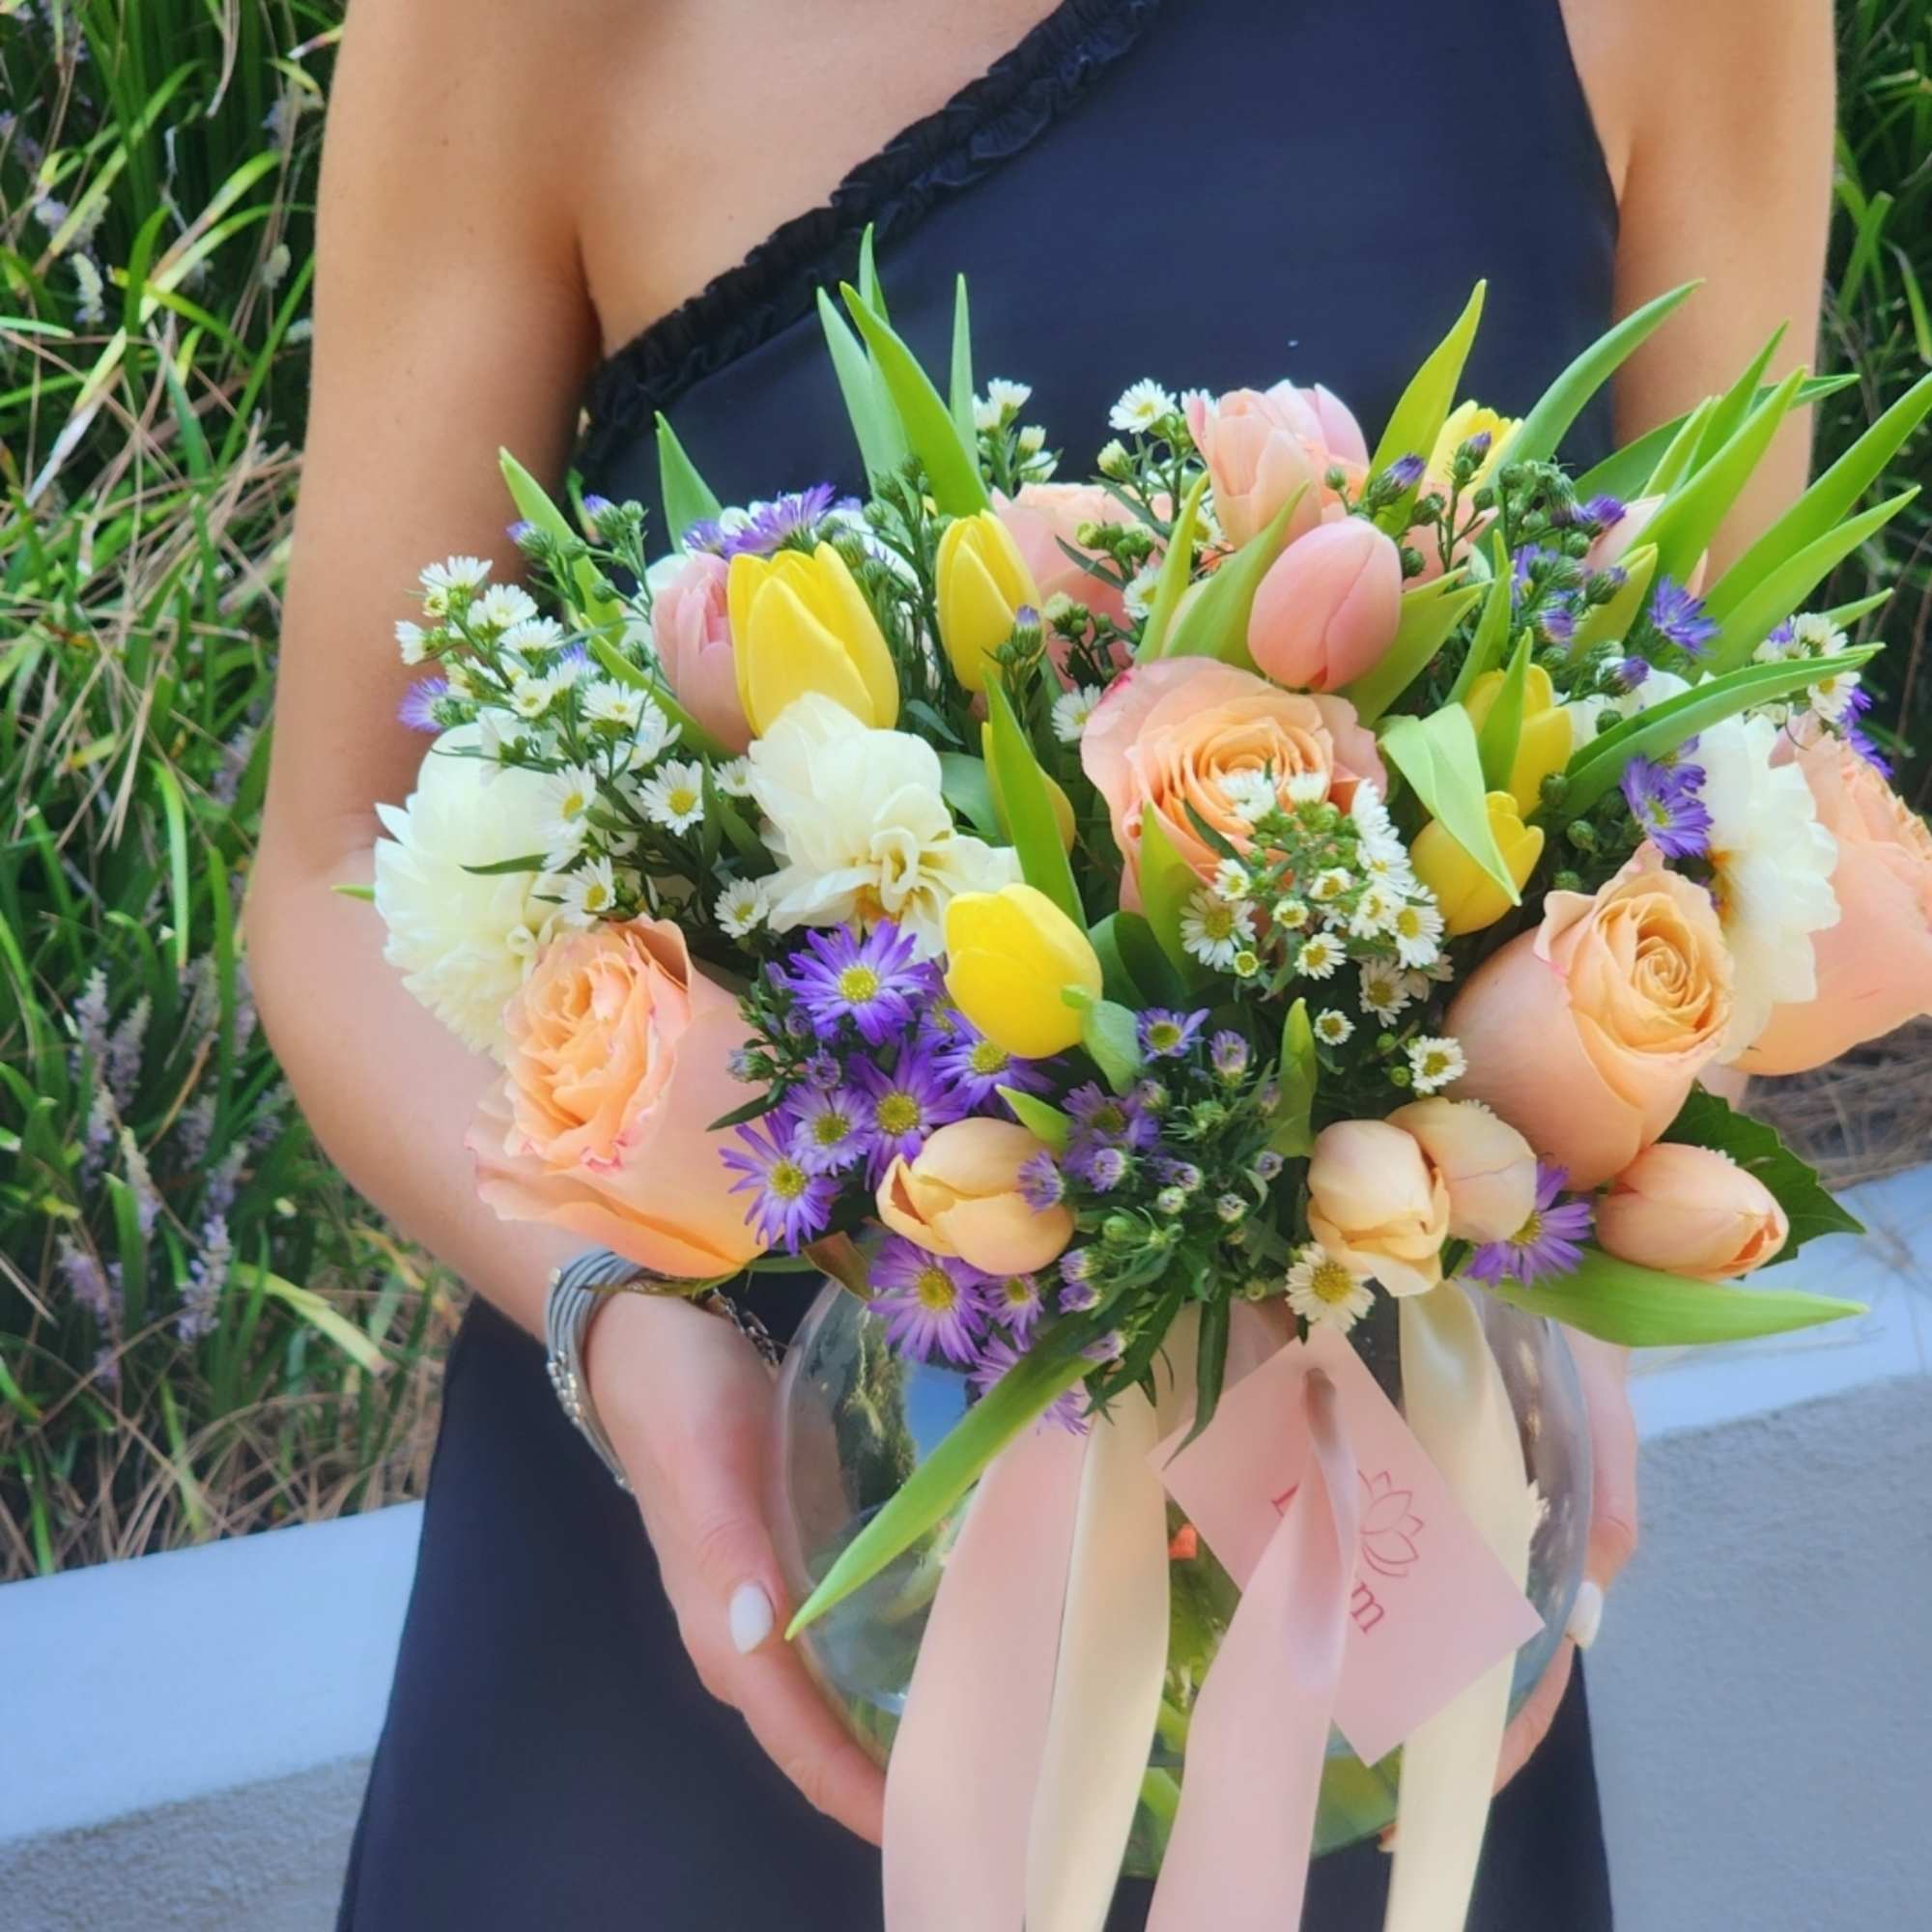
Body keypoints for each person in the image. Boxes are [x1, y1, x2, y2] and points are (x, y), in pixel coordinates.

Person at [250, 1, 1834, 1923]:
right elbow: (335, 859)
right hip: (725, 1576)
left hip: (1356, 1547)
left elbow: (1732, 765)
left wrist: (1569, 1259)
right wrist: (621, 1325)